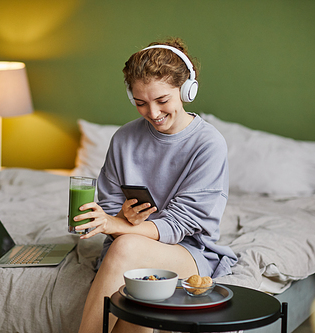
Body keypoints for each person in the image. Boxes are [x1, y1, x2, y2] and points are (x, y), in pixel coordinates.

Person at [75, 37, 238, 333]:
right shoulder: (124, 139)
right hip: (130, 247)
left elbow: (180, 224)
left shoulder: (208, 143)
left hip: (189, 252)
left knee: (125, 248)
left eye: (162, 100)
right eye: (140, 103)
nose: (153, 113)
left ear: (187, 89)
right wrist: (124, 216)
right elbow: (110, 206)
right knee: (133, 310)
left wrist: (118, 226)